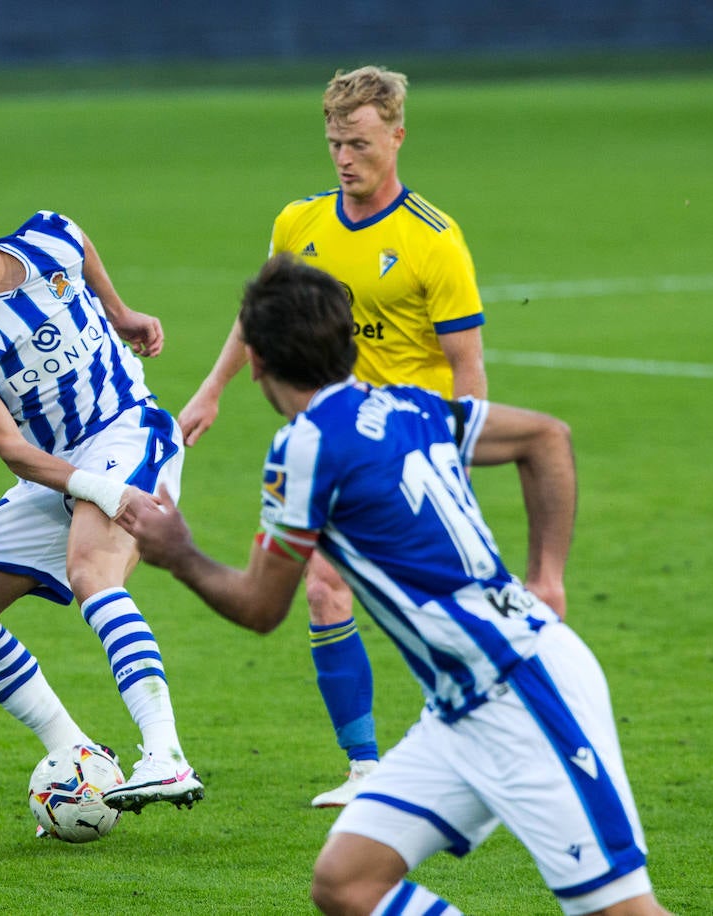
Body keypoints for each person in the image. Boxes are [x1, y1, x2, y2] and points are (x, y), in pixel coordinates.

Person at [119, 253, 670, 915]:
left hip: (524, 692)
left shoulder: (305, 445)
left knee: (623, 912)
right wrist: (545, 575)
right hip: (460, 707)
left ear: (257, 362)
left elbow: (262, 608)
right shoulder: (409, 405)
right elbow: (546, 438)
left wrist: (178, 553)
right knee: (347, 884)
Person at [176, 65, 488, 807]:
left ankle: (466, 740)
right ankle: (366, 768)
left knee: (428, 604)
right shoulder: (299, 224)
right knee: (322, 589)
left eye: (359, 143)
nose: (345, 158)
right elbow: (259, 314)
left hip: (408, 446)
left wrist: (462, 460)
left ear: (397, 137)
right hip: (326, 440)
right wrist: (213, 387)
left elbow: (466, 365)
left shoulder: (434, 242)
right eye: (334, 144)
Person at [0, 168, 203, 814]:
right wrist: (99, 492)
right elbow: (11, 451)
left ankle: (166, 756)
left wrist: (121, 314)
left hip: (129, 428)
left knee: (93, 570)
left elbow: (79, 241)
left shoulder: (49, 239)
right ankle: (78, 750)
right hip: (54, 471)